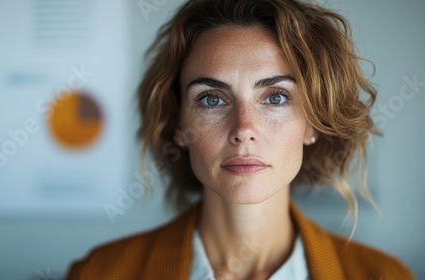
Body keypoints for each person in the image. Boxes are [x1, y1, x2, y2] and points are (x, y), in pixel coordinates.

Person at [66, 0, 415, 279]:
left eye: (276, 97)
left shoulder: (385, 275)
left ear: (313, 124)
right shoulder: (100, 273)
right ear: (178, 125)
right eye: (212, 99)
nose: (243, 129)